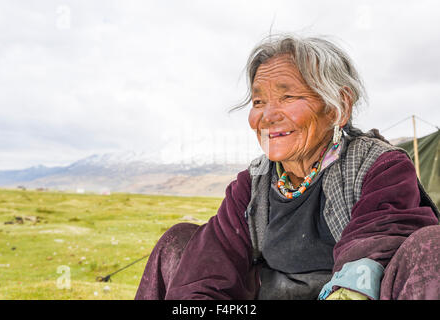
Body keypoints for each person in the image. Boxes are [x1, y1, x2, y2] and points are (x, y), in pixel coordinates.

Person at [135, 34, 440, 300]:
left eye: (287, 96)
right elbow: (210, 267)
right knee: (180, 242)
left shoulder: (380, 167)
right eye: (257, 101)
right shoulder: (252, 185)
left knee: (433, 246)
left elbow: (376, 248)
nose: (267, 116)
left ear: (338, 107)